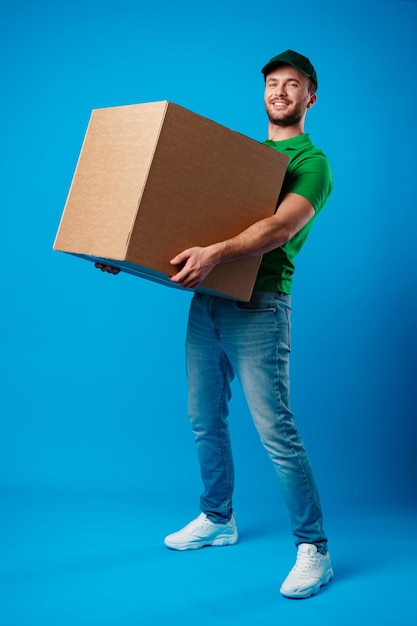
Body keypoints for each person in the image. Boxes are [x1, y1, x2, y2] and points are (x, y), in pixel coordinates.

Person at [97, 49, 333, 599]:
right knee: (203, 418)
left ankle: (314, 548)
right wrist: (127, 251)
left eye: (292, 84)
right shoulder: (242, 158)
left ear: (309, 97)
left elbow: (277, 227)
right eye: (272, 83)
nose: (279, 92)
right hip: (209, 301)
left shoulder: (311, 162)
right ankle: (217, 518)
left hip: (262, 305)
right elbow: (188, 223)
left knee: (275, 428)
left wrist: (214, 253)